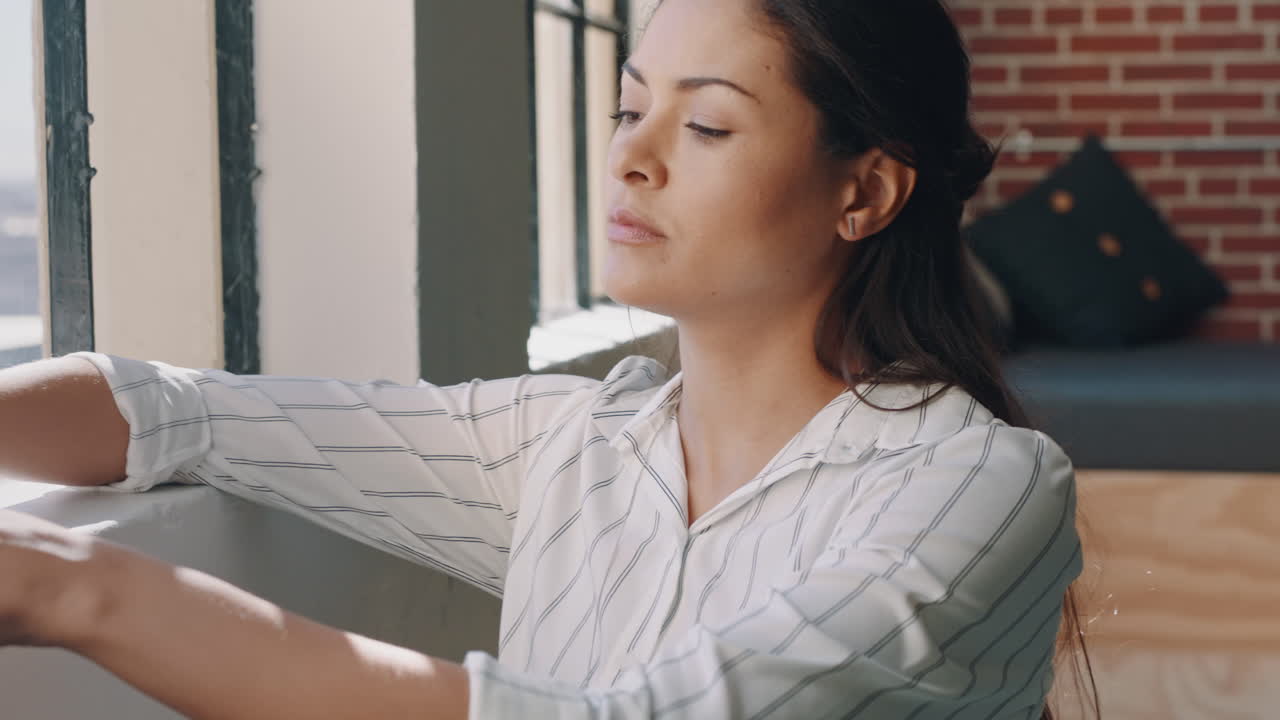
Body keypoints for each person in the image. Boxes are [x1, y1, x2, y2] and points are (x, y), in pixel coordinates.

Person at [0, 0, 1099, 717]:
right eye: (629, 107)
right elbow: (174, 411)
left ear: (864, 190)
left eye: (706, 127)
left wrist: (74, 589)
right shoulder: (570, 442)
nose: (631, 157)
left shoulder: (981, 483)